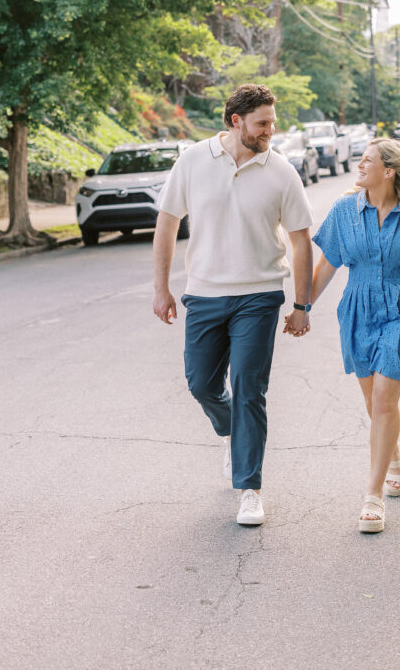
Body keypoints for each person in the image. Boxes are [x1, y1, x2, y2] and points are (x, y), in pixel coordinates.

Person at [152, 83, 313, 527]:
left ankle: (250, 489)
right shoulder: (192, 161)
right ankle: (231, 432)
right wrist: (161, 287)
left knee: (249, 389)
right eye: (262, 124)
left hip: (259, 295)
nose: (270, 131)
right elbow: (167, 222)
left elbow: (301, 241)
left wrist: (303, 304)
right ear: (234, 121)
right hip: (203, 293)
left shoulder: (281, 171)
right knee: (201, 384)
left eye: (273, 123)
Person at [309, 138, 400, 533]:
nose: (359, 165)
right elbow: (327, 265)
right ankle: (395, 455)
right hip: (358, 309)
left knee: (386, 400)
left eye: (367, 160)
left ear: (388, 171)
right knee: (375, 404)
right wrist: (303, 307)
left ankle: (372, 497)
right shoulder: (344, 211)